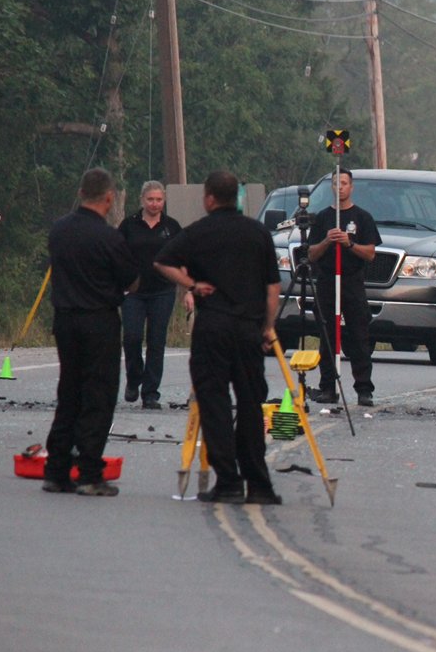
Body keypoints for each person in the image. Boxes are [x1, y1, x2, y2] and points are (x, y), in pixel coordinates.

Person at [154, 170, 283, 505]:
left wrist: (192, 285)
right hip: (248, 328)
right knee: (251, 404)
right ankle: (259, 484)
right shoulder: (258, 233)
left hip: (213, 326)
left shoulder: (199, 231)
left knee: (215, 404)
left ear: (209, 198)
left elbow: (163, 261)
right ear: (236, 197)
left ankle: (228, 481)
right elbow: (273, 289)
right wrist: (267, 327)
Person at [44, 168, 140, 496]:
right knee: (98, 394)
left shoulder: (59, 230)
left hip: (65, 319)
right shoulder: (109, 237)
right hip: (99, 320)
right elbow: (131, 281)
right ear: (109, 198)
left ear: (81, 192)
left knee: (69, 391)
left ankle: (56, 470)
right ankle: (88, 472)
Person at [306, 168, 381, 407]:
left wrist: (349, 243)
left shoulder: (363, 217)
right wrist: (327, 240)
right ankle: (327, 387)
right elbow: (311, 253)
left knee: (359, 335)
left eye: (344, 183)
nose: (340, 187)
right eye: (336, 183)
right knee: (327, 335)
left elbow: (370, 253)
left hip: (352, 281)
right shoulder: (322, 218)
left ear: (351, 186)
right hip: (327, 281)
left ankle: (364, 389)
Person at [118, 181, 190, 409]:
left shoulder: (172, 227)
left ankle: (150, 393)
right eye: (150, 199)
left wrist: (187, 291)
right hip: (133, 292)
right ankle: (134, 378)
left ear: (164, 201)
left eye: (159, 200)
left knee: (156, 341)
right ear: (142, 200)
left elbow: (183, 259)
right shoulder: (129, 225)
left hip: (163, 291)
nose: (155, 204)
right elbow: (117, 256)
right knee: (132, 337)